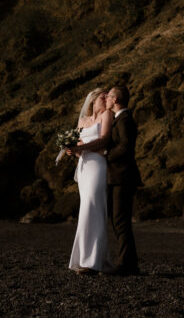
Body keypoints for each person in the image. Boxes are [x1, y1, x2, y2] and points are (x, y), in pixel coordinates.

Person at [65, 88, 113, 274]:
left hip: (98, 166)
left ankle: (91, 261)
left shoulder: (107, 115)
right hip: (84, 167)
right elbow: (78, 144)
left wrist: (83, 148)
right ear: (93, 100)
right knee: (86, 207)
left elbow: (104, 140)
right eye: (102, 96)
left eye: (107, 96)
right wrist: (72, 150)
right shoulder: (83, 121)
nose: (105, 99)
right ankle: (88, 259)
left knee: (93, 207)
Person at [102, 85, 142, 275]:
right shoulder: (120, 119)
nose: (106, 99)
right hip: (119, 177)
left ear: (115, 100)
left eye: (108, 96)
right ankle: (129, 263)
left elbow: (126, 146)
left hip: (123, 177)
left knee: (120, 221)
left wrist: (106, 154)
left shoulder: (125, 120)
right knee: (119, 220)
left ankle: (125, 264)